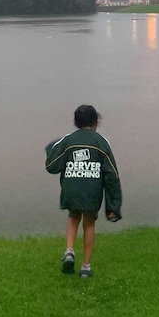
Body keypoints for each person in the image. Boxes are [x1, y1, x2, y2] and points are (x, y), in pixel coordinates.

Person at [45, 105, 122, 277]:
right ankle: (85, 267)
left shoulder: (68, 140)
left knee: (73, 217)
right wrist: (113, 207)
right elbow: (112, 175)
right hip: (92, 191)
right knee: (89, 223)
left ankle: (69, 250)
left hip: (71, 189)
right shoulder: (101, 142)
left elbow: (51, 166)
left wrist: (50, 147)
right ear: (96, 121)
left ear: (76, 122)